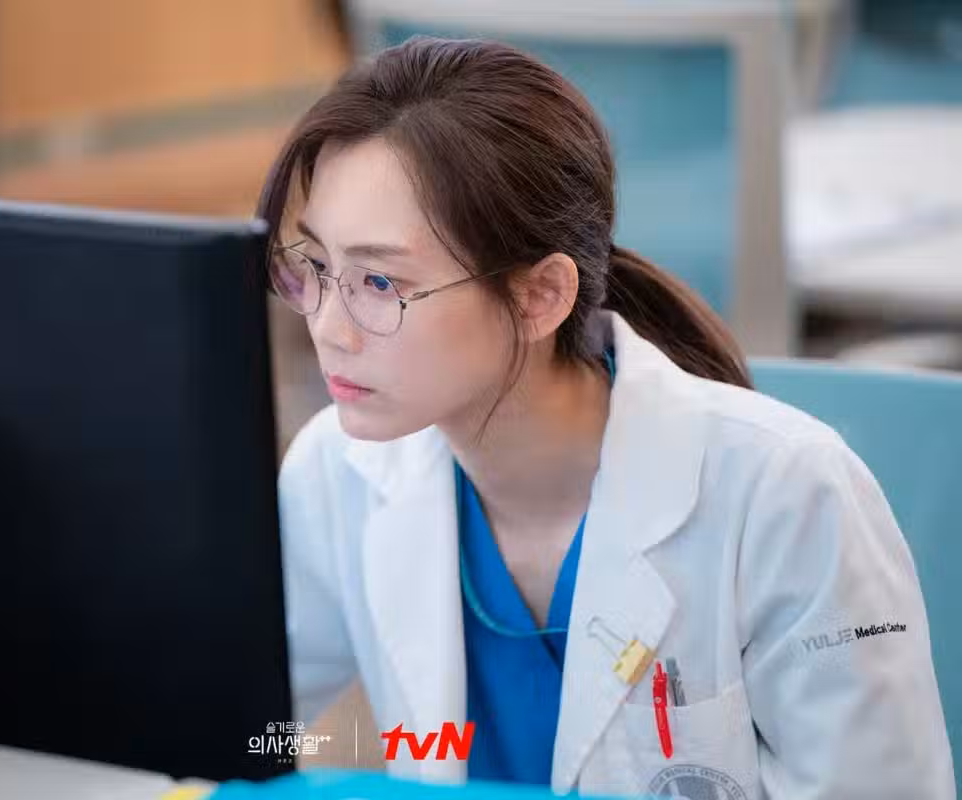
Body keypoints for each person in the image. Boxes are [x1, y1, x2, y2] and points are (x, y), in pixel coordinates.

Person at [259, 36, 954, 798]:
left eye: (379, 283)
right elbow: (237, 726)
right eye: (315, 267)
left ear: (540, 297)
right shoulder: (338, 470)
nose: (326, 328)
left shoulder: (788, 495)